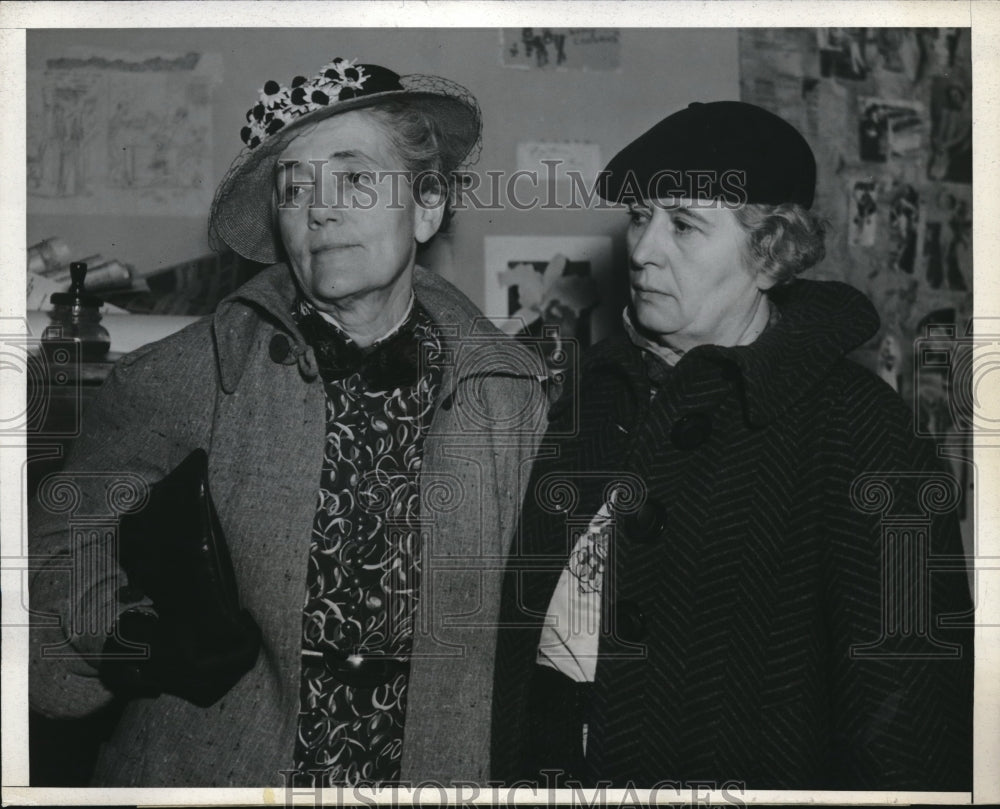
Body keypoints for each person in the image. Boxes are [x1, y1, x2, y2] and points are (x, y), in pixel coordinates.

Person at [30, 56, 547, 787]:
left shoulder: (509, 395)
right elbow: (55, 553)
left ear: (428, 205)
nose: (320, 207)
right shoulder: (187, 374)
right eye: (294, 186)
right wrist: (134, 635)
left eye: (356, 177)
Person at [492, 101, 973, 791]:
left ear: (769, 253)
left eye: (684, 224)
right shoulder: (592, 394)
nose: (643, 248)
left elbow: (914, 723)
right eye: (640, 216)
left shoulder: (861, 429)